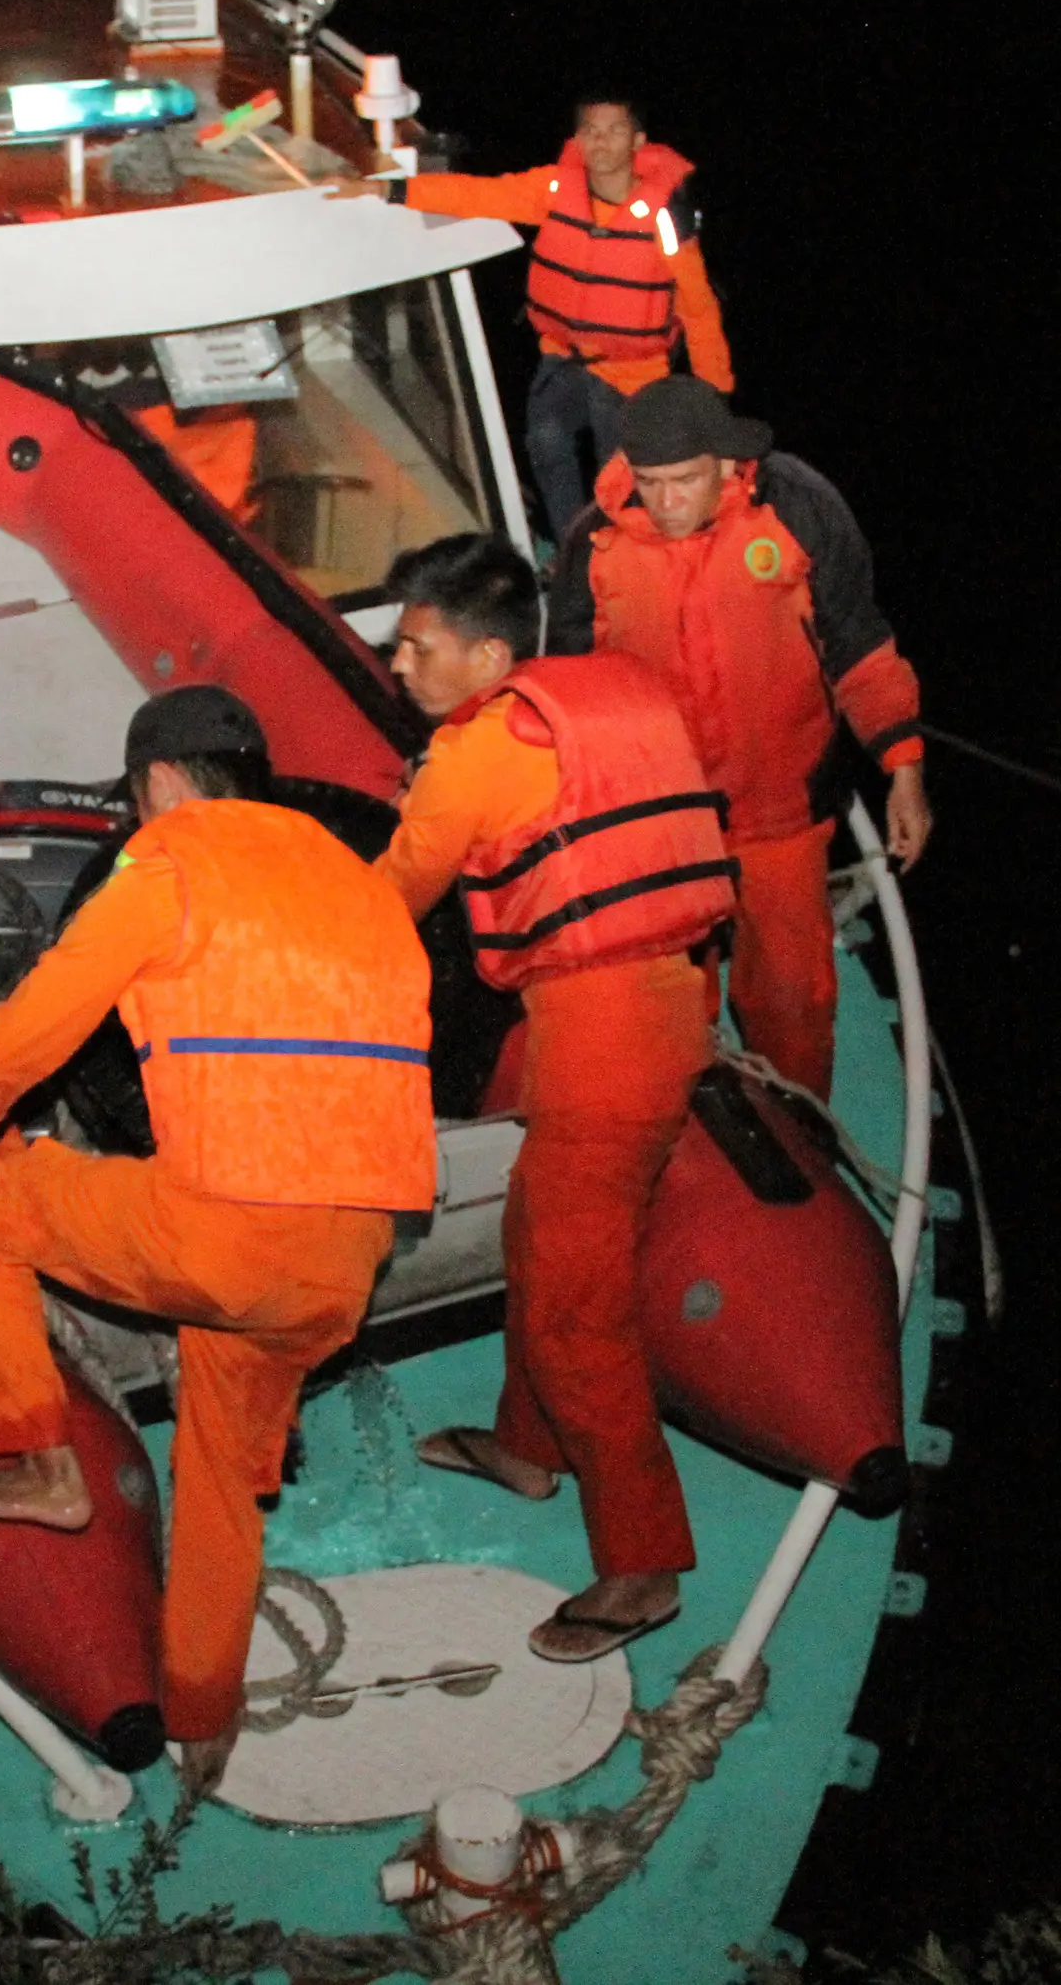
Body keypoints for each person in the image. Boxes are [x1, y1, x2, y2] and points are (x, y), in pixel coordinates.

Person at [0, 686, 436, 1794]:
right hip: (346, 1265)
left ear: (157, 785)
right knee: (222, 1471)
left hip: (223, 1233)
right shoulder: (362, 883)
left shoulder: (168, 858)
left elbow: (36, 1024)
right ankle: (203, 1713)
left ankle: (36, 1460)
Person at [374, 534, 736, 1663]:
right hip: (673, 1003)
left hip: (600, 1040)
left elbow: (389, 896)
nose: (396, 663)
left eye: (415, 645)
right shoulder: (613, 692)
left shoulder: (476, 754)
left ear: (485, 654)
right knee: (541, 1236)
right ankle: (527, 1446)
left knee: (579, 1308)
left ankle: (642, 1568)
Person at [551, 376, 931, 1097]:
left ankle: (801, 1127)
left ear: (726, 464)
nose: (663, 504)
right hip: (660, 822)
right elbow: (571, 692)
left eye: (684, 481)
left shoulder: (795, 508)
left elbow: (857, 645)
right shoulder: (592, 545)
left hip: (780, 809)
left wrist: (902, 768)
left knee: (794, 998)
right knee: (665, 1003)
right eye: (649, 482)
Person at [384, 94, 735, 543]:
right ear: (577, 139)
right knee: (545, 442)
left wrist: (714, 397)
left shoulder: (664, 218)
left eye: (614, 130)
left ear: (637, 141)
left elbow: (699, 308)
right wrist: (395, 190)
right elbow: (481, 194)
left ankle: (620, 554)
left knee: (622, 480)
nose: (600, 141)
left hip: (632, 374)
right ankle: (574, 545)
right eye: (590, 130)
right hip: (562, 360)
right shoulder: (554, 190)